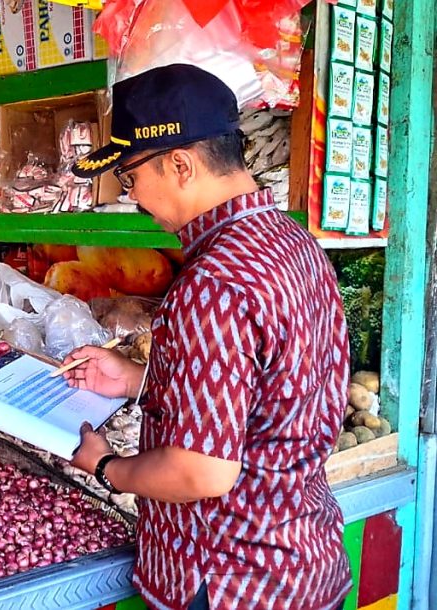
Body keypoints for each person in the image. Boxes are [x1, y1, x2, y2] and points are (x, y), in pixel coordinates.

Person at [67, 64, 351, 610]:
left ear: (180, 163)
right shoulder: (292, 241)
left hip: (231, 581)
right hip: (306, 560)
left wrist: (107, 467)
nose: (133, 198)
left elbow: (201, 471)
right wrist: (139, 381)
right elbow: (270, 393)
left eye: (130, 178)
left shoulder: (212, 283)